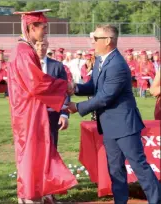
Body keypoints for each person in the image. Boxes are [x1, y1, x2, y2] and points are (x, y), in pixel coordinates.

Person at [67, 24, 161, 204]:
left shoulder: (117, 64)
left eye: (96, 39)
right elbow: (94, 86)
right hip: (109, 125)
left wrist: (78, 107)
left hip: (125, 125)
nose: (92, 41)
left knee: (139, 166)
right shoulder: (101, 60)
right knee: (115, 169)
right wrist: (75, 88)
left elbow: (105, 96)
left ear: (108, 41)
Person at [8, 10, 77, 204]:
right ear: (31, 28)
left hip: (29, 110)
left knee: (36, 152)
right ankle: (31, 196)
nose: (45, 32)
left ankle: (35, 194)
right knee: (32, 153)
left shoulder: (24, 50)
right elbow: (36, 83)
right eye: (43, 28)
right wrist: (64, 86)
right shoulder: (24, 52)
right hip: (28, 112)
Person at [35, 37, 70, 148]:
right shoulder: (27, 65)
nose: (41, 48)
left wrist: (64, 114)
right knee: (34, 147)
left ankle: (51, 165)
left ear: (47, 46)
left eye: (43, 45)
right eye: (38, 45)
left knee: (52, 146)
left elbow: (64, 90)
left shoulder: (57, 66)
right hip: (32, 113)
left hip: (52, 113)